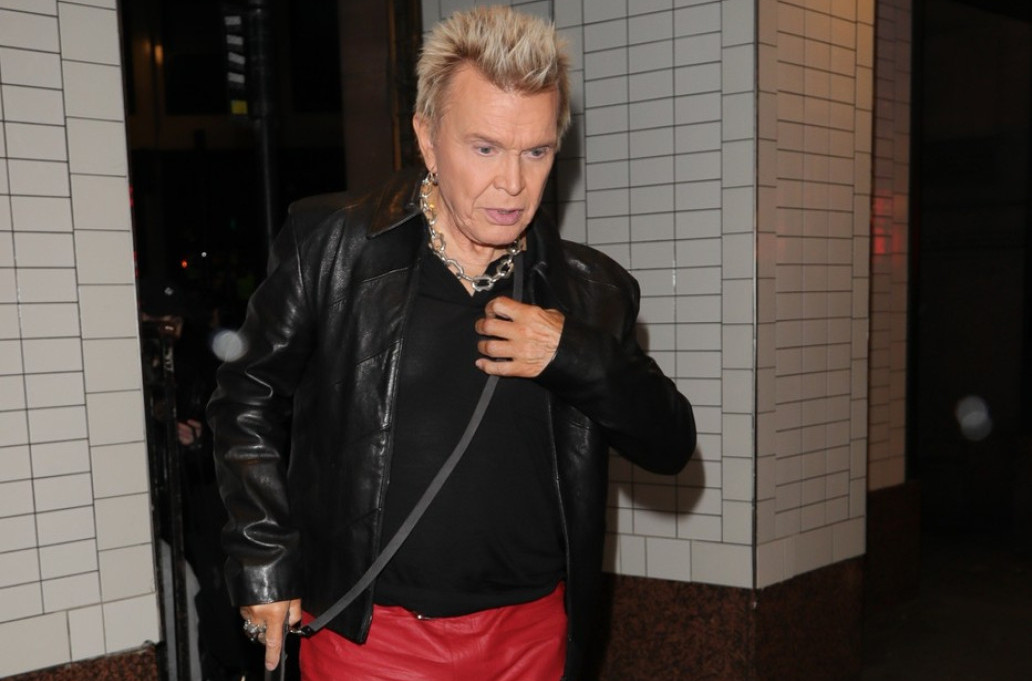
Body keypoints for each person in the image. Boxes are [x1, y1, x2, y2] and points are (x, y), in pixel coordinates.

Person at [207, 6, 696, 681]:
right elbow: (246, 398)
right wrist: (263, 559)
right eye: (485, 148)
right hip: (374, 639)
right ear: (428, 139)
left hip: (531, 635)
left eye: (536, 151)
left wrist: (572, 353)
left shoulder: (590, 291)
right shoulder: (336, 248)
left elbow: (670, 443)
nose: (513, 184)